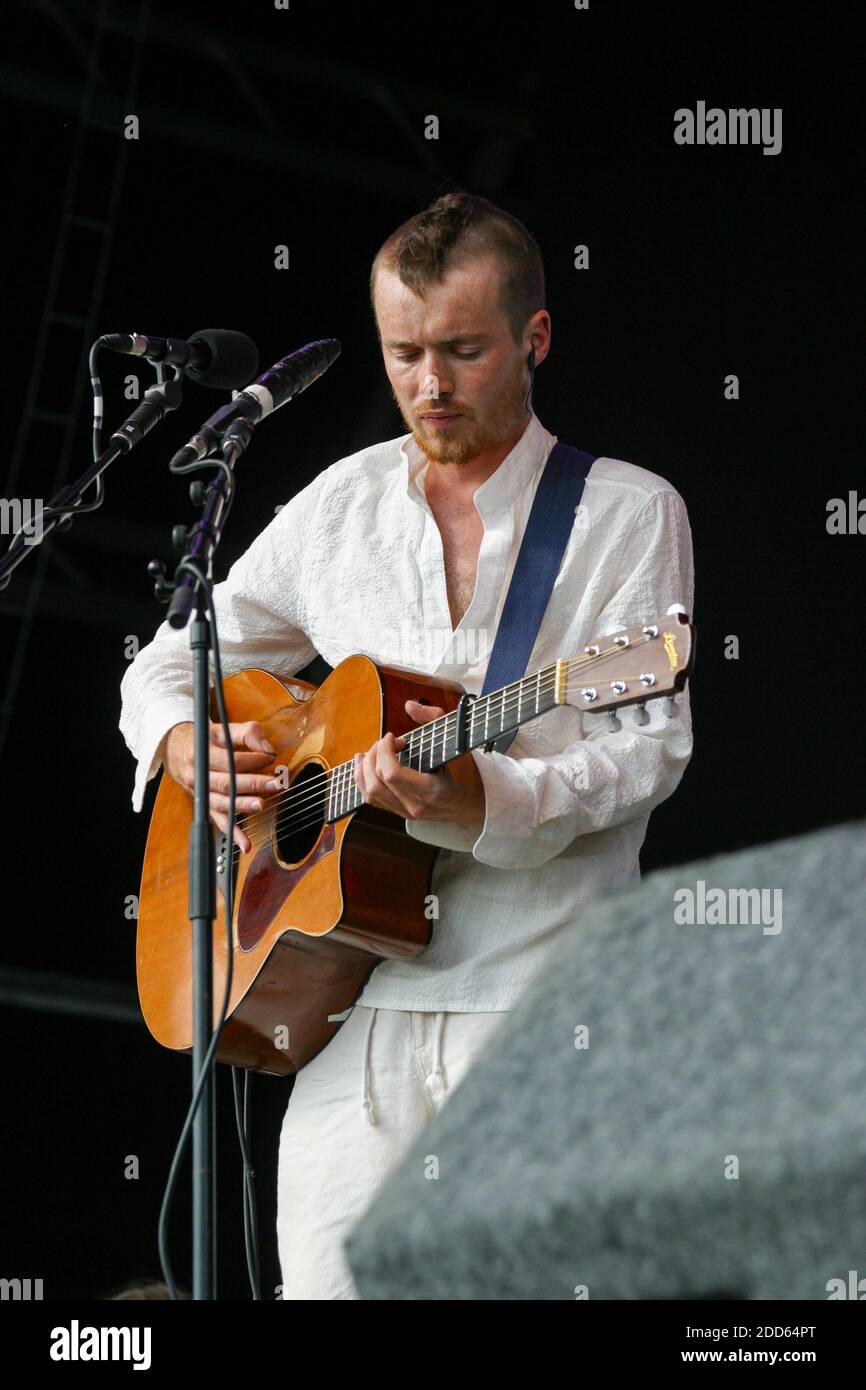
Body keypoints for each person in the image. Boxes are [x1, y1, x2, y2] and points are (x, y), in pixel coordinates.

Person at [119, 189, 695, 1300]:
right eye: (403, 353)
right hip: (353, 1003)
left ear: (532, 338)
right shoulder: (338, 507)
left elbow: (643, 754)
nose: (428, 384)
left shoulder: (626, 515)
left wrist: (480, 794)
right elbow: (164, 659)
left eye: (463, 350)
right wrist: (185, 741)